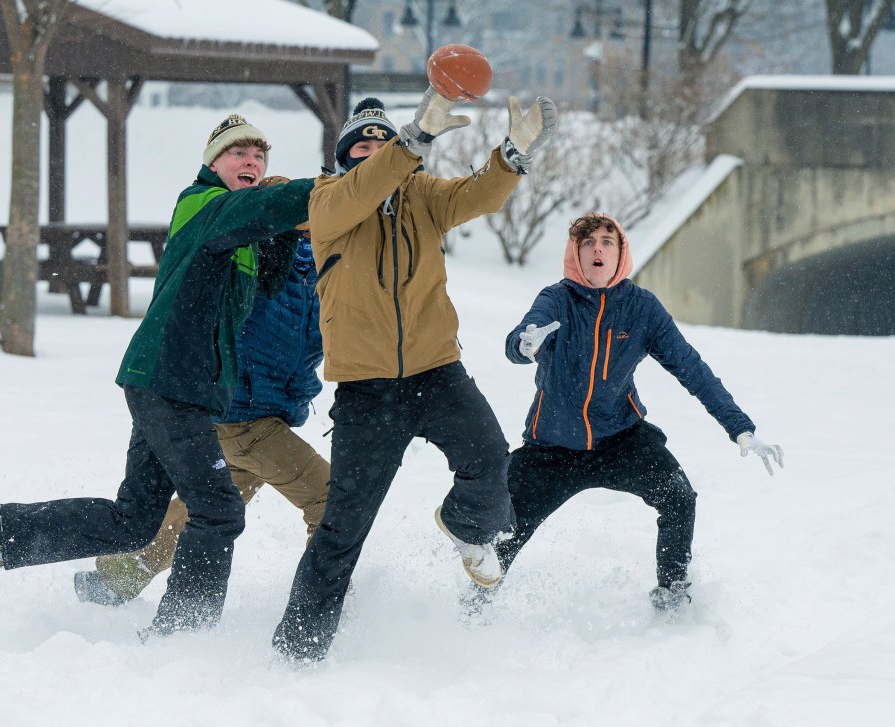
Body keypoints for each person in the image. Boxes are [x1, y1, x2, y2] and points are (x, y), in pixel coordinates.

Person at [0, 114, 315, 637]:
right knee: (219, 511)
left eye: (259, 156)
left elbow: (267, 275)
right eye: (238, 154)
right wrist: (320, 192)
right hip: (170, 383)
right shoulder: (202, 204)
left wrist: (291, 229)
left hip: (176, 387)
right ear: (212, 163)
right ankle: (181, 636)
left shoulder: (240, 235)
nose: (251, 162)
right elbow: (259, 208)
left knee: (134, 520)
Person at [271, 90, 560, 661]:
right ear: (344, 154)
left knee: (489, 458)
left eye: (382, 139)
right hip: (366, 390)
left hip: (437, 371)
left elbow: (475, 196)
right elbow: (357, 192)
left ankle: (466, 528)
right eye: (363, 141)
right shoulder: (325, 198)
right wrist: (407, 143)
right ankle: (298, 648)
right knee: (343, 526)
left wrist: (510, 156)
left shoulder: (421, 194)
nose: (374, 147)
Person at [494, 212, 783, 612]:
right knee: (499, 533)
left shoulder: (641, 308)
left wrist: (740, 428)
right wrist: (523, 345)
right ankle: (470, 615)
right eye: (588, 242)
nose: (598, 248)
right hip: (551, 447)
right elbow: (522, 336)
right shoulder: (556, 299)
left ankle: (672, 598)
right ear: (575, 253)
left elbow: (692, 369)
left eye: (607, 242)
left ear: (620, 254)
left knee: (679, 498)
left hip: (620, 439)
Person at [73, 229, 330, 607]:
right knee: (330, 499)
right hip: (244, 418)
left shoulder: (330, 269)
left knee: (210, 507)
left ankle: (117, 578)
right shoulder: (259, 258)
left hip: (263, 416)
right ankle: (324, 606)